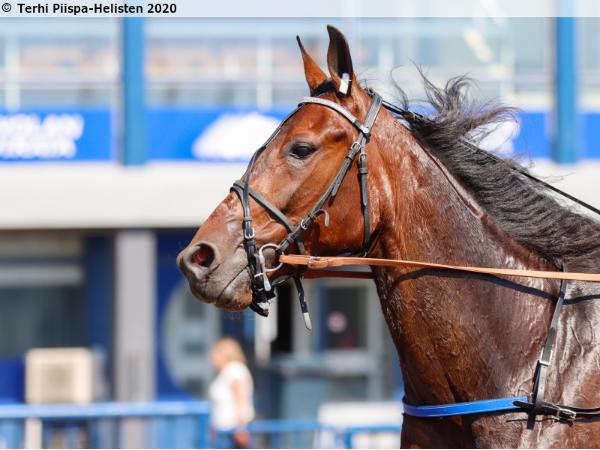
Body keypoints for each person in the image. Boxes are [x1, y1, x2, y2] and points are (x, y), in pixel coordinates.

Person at [208, 338, 255, 448]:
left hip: (232, 432)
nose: (212, 359)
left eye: (215, 355)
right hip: (223, 430)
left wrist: (241, 429)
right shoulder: (225, 372)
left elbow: (242, 400)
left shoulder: (235, 370)